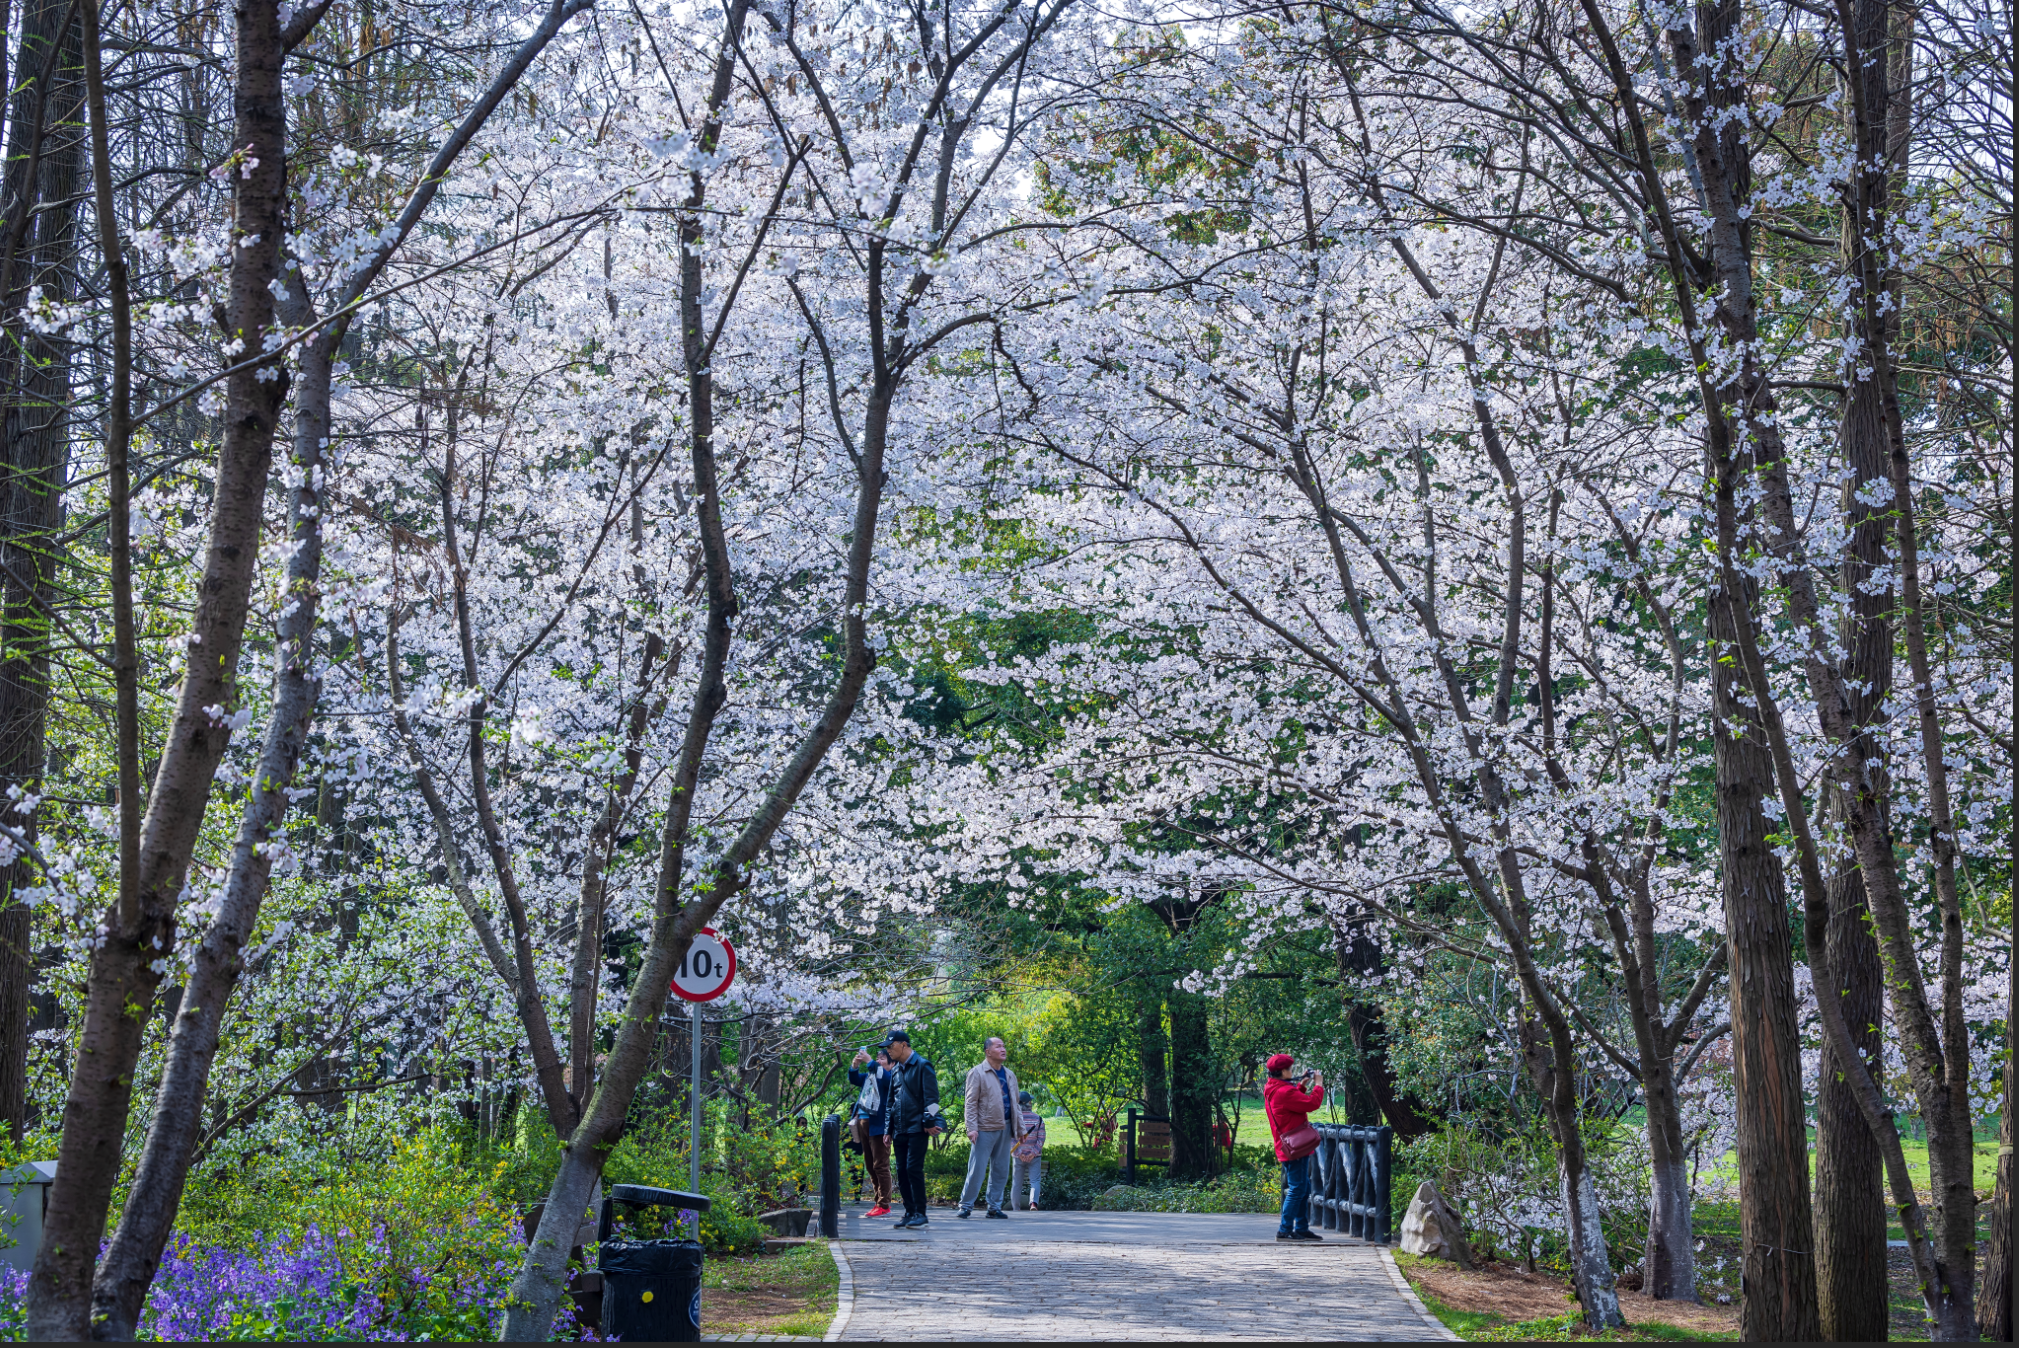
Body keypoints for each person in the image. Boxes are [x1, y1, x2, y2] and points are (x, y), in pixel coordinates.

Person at [958, 1036, 1026, 1218]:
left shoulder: (1010, 1075)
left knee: (1001, 1170)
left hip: (1006, 1127)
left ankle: (994, 1207)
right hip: (984, 1128)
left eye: (1004, 1045)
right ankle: (966, 1206)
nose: (1003, 1049)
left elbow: (1015, 1104)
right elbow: (970, 1103)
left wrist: (1021, 1129)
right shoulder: (977, 1072)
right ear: (988, 1052)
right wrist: (971, 1127)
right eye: (998, 1046)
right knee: (977, 1169)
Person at [882, 1030, 943, 1228]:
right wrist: (888, 1130)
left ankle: (920, 1212)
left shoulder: (923, 1066)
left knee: (912, 1169)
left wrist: (928, 1123)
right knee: (901, 1171)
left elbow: (933, 1101)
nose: (888, 1051)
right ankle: (909, 1212)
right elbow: (891, 1102)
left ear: (904, 1045)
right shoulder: (896, 1070)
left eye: (891, 1046)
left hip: (918, 1128)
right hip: (899, 1129)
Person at [1263, 1053, 1324, 1242]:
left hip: (1287, 1146)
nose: (1292, 1071)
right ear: (1282, 1071)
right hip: (1294, 1148)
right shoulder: (1284, 1091)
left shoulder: (1273, 1088)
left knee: (1302, 1188)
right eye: (1289, 1069)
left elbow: (1292, 1101)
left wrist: (1302, 1084)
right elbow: (1311, 1104)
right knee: (1298, 1189)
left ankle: (1301, 1228)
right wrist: (1318, 1085)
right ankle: (1285, 1229)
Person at [849, 1047, 896, 1217]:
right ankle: (878, 1202)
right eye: (877, 1058)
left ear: (892, 1064)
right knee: (870, 1165)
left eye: (883, 1059)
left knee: (880, 1165)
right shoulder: (870, 1076)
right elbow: (854, 1079)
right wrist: (855, 1065)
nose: (878, 1061)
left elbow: (886, 1079)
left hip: (879, 1124)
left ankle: (884, 1204)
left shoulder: (889, 1077)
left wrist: (869, 1061)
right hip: (863, 1122)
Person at [1010, 1089, 1045, 1211]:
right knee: (1035, 1180)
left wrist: (1019, 1154)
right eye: (1030, 1101)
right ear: (1028, 1103)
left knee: (1016, 1183)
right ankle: (1033, 1204)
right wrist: (1033, 1153)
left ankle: (1016, 1208)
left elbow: (1011, 1139)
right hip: (1034, 1157)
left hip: (1018, 1157)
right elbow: (1041, 1138)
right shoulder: (1038, 1119)